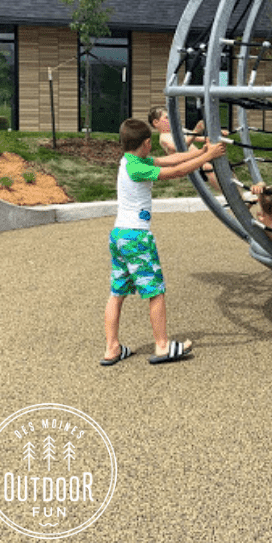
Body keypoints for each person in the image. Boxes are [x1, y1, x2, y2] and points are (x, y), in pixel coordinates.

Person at [102, 118, 226, 366]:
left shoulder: (130, 161)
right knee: (155, 292)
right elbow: (175, 172)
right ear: (147, 143)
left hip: (119, 236)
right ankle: (162, 346)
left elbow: (170, 160)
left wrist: (202, 151)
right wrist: (206, 158)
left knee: (117, 294)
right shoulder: (137, 168)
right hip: (137, 237)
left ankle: (112, 348)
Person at [148, 106, 228, 191]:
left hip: (200, 158)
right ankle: (225, 191)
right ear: (156, 122)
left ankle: (235, 191)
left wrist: (217, 135)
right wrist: (195, 131)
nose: (171, 120)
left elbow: (199, 138)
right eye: (167, 118)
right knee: (207, 167)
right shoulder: (164, 137)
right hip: (191, 164)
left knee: (221, 160)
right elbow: (180, 148)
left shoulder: (180, 130)